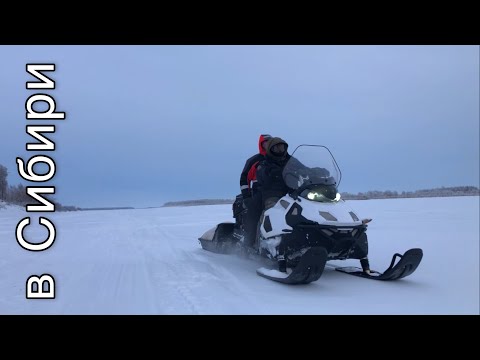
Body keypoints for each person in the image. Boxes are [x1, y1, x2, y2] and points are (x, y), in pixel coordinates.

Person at [237, 134, 272, 249]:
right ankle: (248, 244)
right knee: (253, 214)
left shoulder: (282, 158)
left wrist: (314, 170)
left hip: (280, 192)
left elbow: (297, 167)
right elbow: (244, 178)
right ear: (261, 144)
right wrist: (246, 196)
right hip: (259, 192)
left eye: (270, 142)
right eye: (265, 142)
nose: (268, 144)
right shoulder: (255, 160)